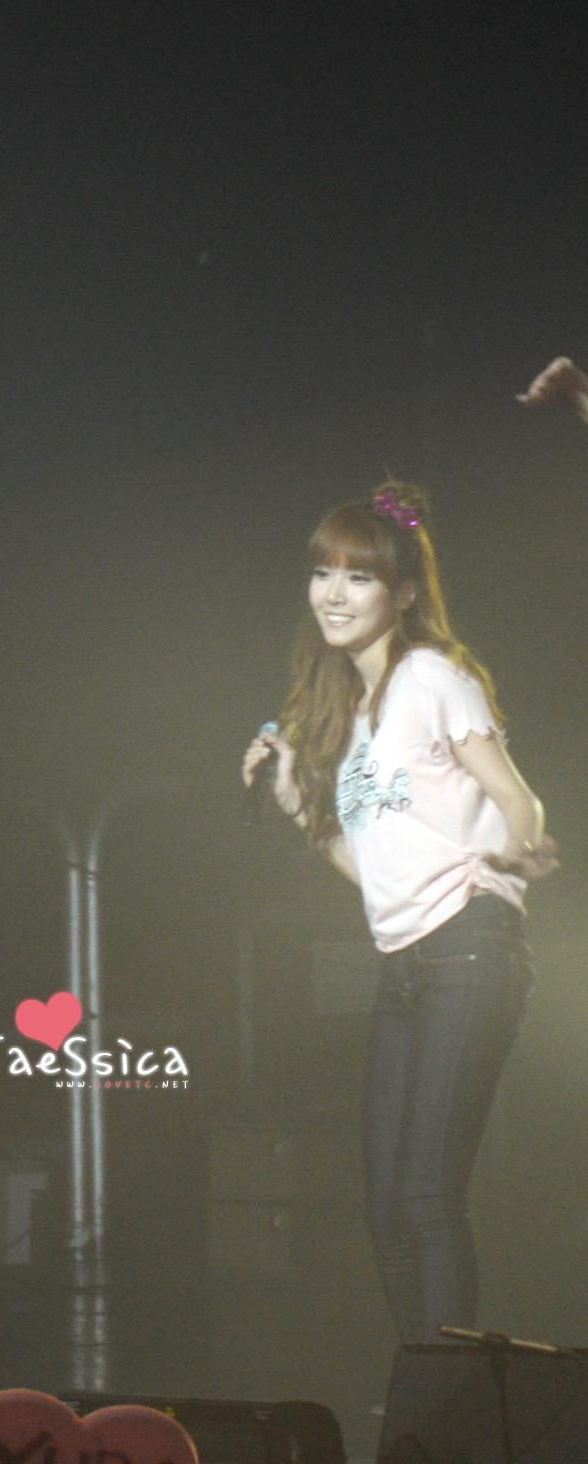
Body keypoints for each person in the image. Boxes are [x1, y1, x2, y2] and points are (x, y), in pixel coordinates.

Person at [241, 483, 556, 1340]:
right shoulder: (353, 718)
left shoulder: (430, 677)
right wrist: (294, 802)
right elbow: (375, 876)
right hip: (406, 963)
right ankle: (426, 1386)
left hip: (470, 947)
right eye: (321, 574)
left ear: (403, 593)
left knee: (424, 1197)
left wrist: (517, 847)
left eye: (358, 577)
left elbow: (517, 798)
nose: (333, 595)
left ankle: (451, 1398)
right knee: (384, 1208)